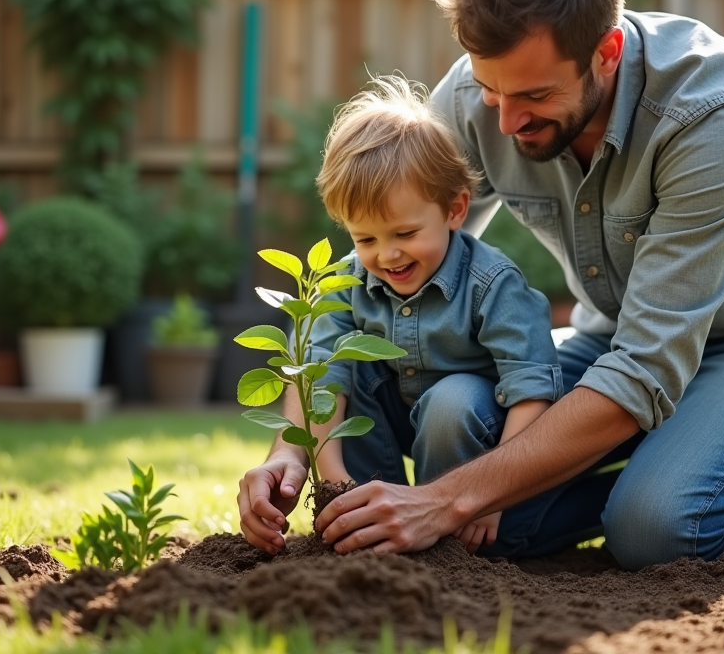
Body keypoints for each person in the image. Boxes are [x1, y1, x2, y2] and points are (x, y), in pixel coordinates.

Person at [238, 0, 724, 569]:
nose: (506, 120)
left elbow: (649, 367)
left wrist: (449, 496)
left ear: (606, 52)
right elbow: (370, 266)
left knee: (659, 531)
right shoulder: (478, 96)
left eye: (535, 97)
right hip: (616, 339)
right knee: (481, 532)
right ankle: (673, 469)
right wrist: (290, 447)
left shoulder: (715, 112)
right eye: (491, 89)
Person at [239, 74, 563, 556]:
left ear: (455, 210)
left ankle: (452, 548)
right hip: (397, 420)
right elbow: (321, 379)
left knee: (452, 400)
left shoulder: (492, 284)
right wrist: (334, 484)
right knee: (341, 367)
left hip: (474, 444)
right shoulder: (345, 283)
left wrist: (491, 495)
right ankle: (366, 524)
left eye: (405, 233)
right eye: (365, 239)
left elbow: (533, 389)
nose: (387, 255)